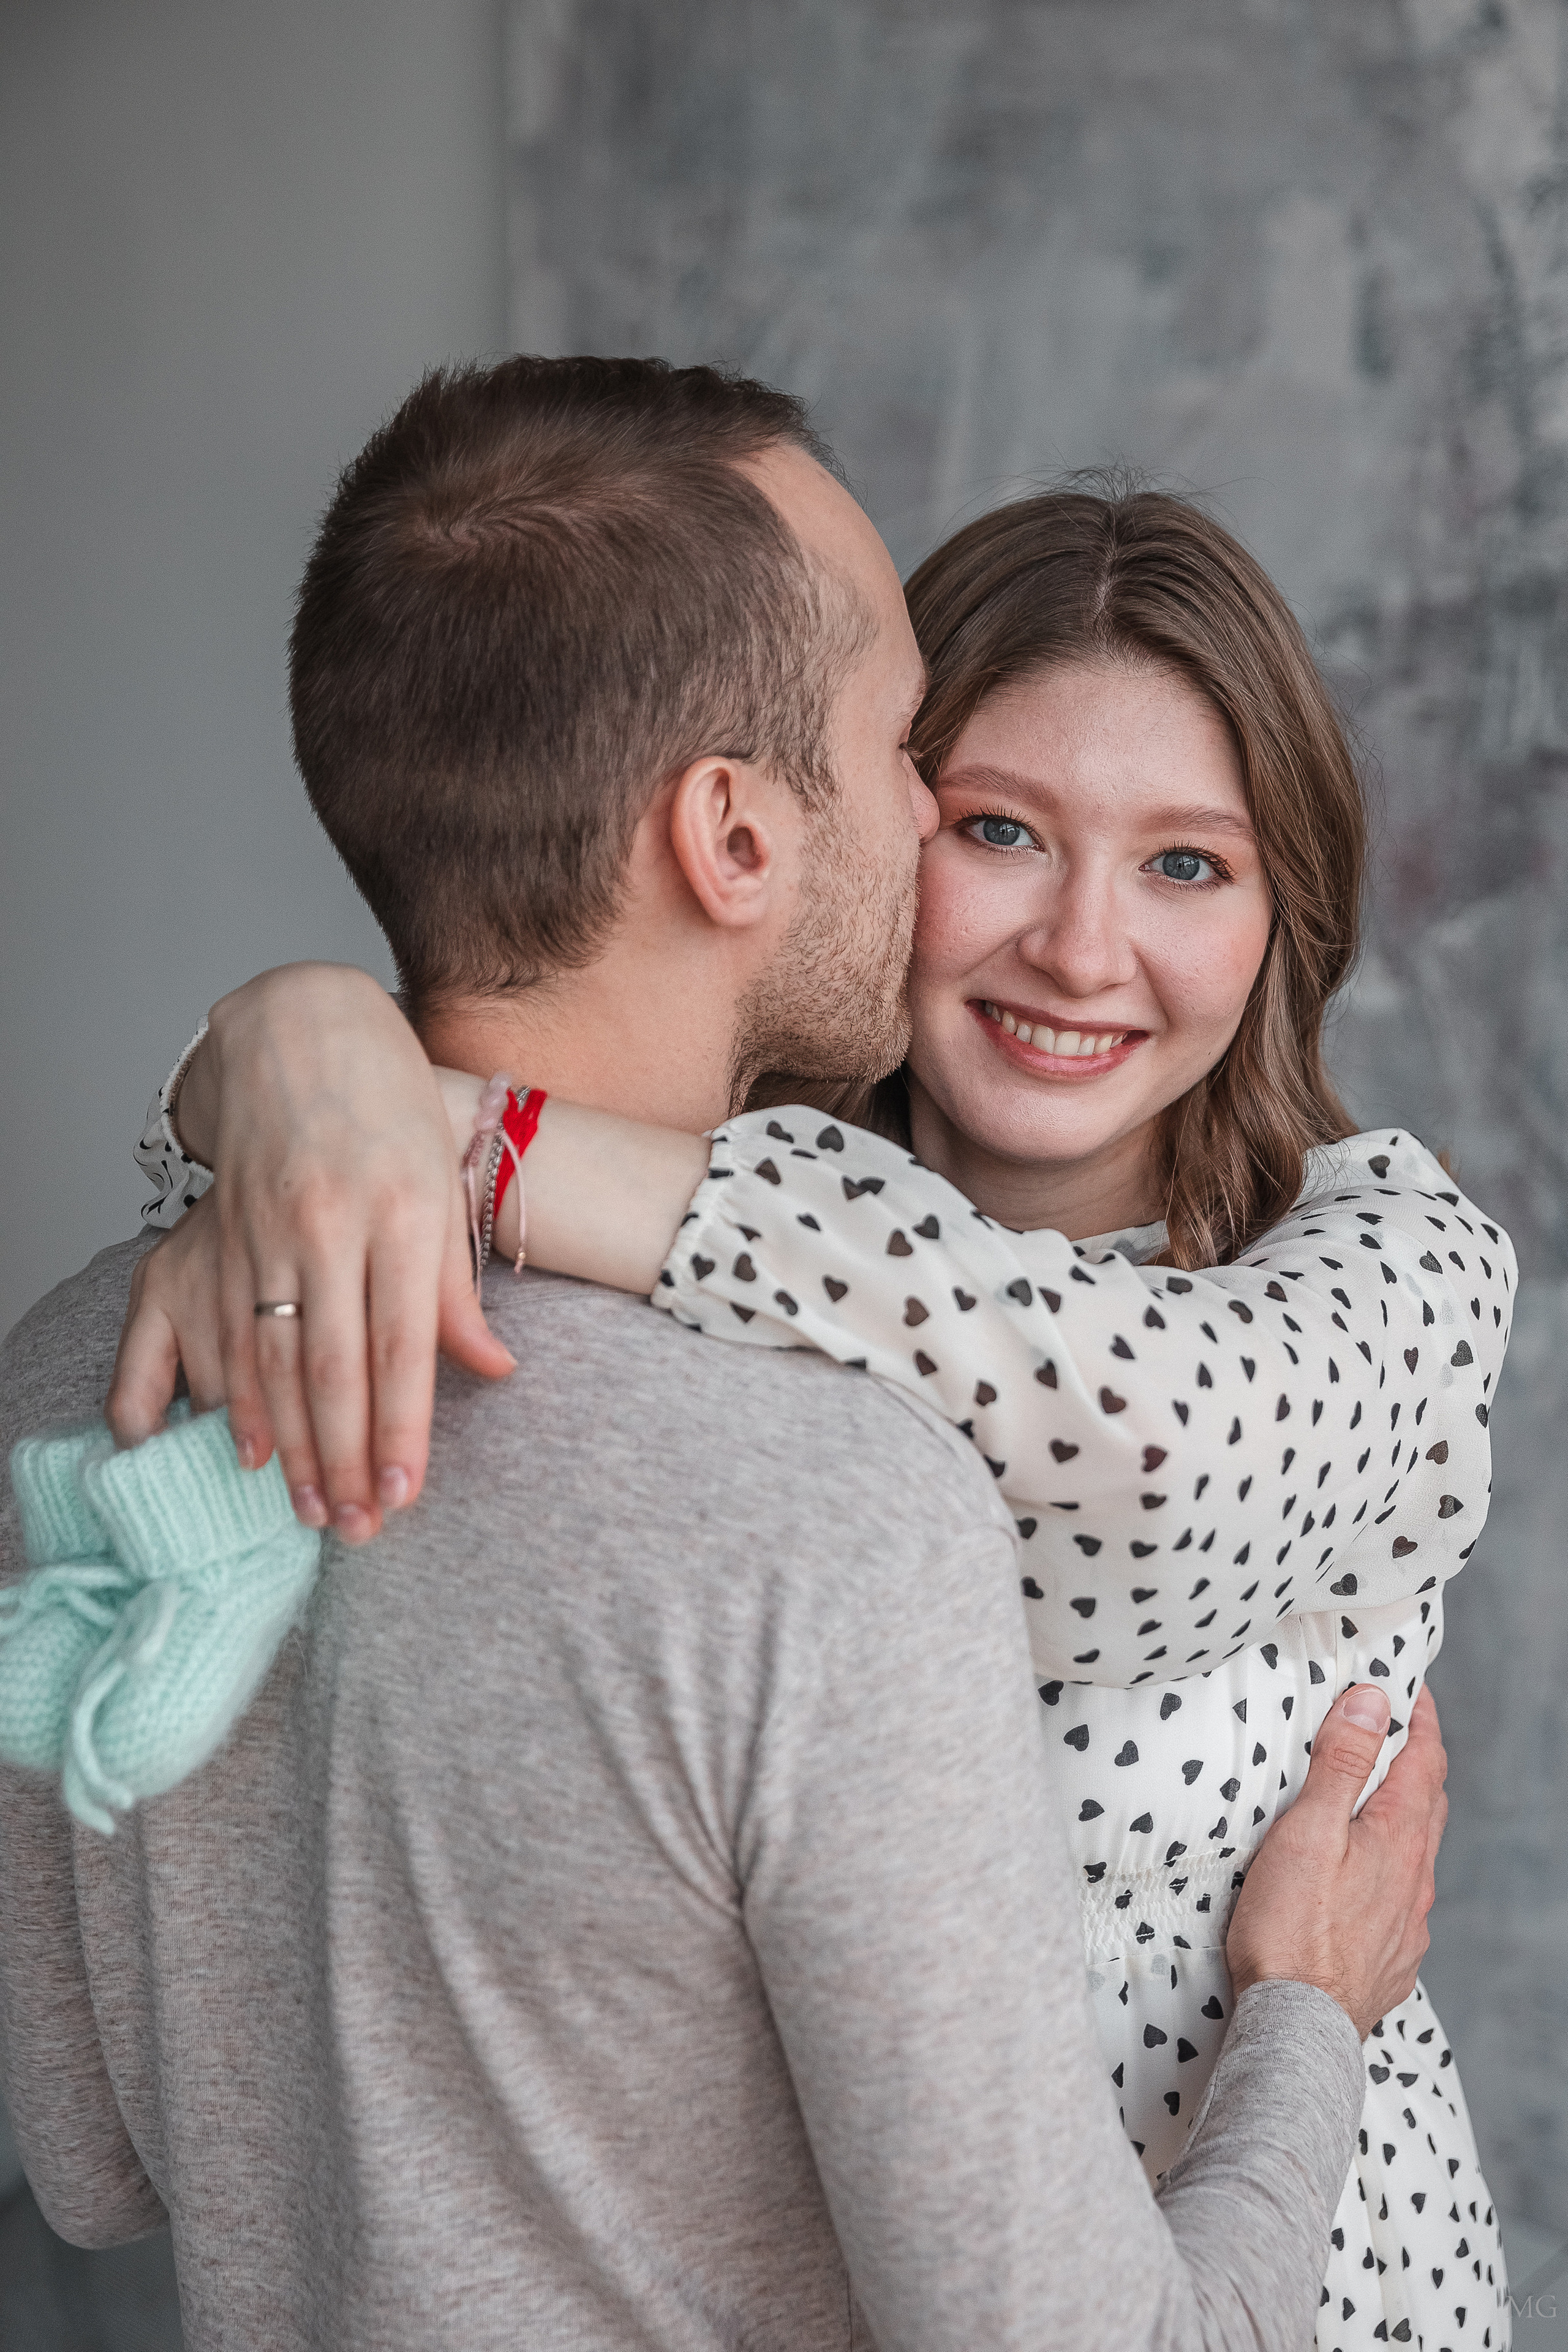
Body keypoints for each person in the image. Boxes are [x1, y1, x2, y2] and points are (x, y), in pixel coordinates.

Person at [3, 356, 1451, 2352]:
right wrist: (1307, 2011)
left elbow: (91, 2160)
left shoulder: (85, 1364)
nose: (947, 834)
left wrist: (295, 1042)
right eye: (907, 757)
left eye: (1186, 863)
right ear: (737, 837)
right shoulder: (835, 1505)